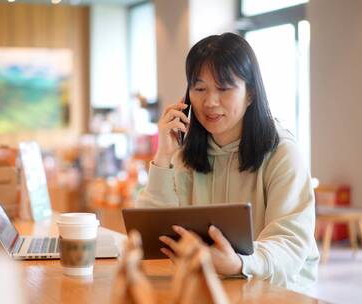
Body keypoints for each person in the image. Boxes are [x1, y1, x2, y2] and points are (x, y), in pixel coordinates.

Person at [136, 32, 319, 292]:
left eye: (224, 88)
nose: (209, 102)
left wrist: (240, 264)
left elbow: (289, 242)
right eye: (199, 88)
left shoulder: (282, 153)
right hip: (209, 286)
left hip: (278, 289)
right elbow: (154, 236)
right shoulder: (186, 152)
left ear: (251, 94)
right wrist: (163, 156)